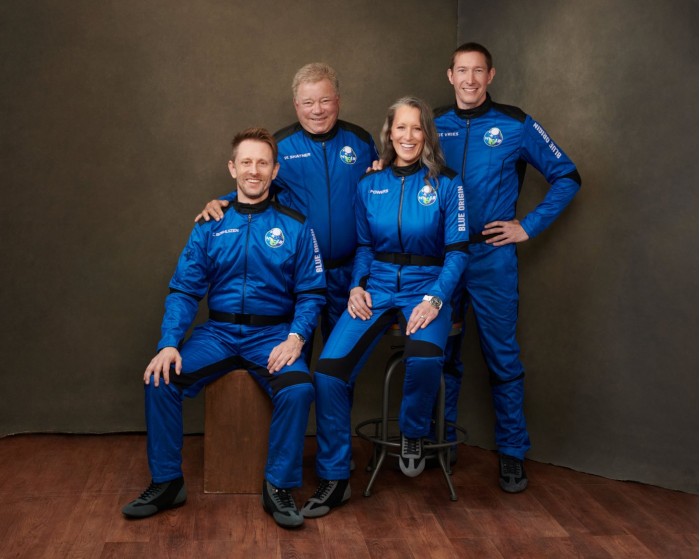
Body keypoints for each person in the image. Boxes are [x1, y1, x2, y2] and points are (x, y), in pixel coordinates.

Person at [121, 128, 326, 529]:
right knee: (160, 380)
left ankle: (278, 487)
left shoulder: (297, 226)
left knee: (299, 388)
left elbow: (312, 293)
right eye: (246, 162)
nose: (254, 170)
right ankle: (167, 483)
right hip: (218, 334)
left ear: (275, 170)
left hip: (272, 335)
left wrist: (296, 337)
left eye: (263, 163)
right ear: (232, 168)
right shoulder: (210, 223)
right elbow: (184, 290)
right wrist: (168, 343)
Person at [299, 97, 470, 518]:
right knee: (328, 372)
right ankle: (335, 478)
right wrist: (357, 286)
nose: (408, 136)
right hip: (376, 286)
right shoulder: (369, 184)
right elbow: (364, 246)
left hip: (426, 285)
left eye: (417, 128)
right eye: (401, 128)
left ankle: (413, 432)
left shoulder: (448, 184)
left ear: (427, 134)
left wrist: (436, 298)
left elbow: (458, 253)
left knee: (425, 358)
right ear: (389, 134)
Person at [434, 42, 582, 493]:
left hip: (492, 258)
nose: (470, 79)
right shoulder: (432, 124)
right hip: (443, 258)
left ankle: (513, 453)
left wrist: (527, 226)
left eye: (478, 71)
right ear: (450, 75)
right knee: (441, 353)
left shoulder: (515, 124)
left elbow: (567, 175)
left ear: (491, 76)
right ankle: (442, 442)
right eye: (462, 71)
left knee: (501, 355)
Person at [195, 63, 378, 348]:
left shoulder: (361, 141)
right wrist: (224, 202)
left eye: (325, 100)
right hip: (297, 276)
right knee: (292, 355)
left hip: (348, 272)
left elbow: (382, 187)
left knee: (341, 361)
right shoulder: (281, 145)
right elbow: (256, 184)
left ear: (338, 100)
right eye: (308, 102)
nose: (317, 110)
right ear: (296, 105)